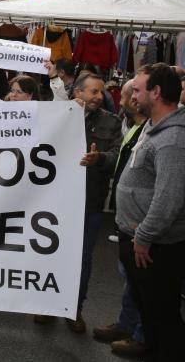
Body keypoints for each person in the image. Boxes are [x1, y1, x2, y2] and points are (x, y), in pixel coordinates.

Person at [36, 72, 120, 333]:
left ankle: (74, 309)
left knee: (81, 258)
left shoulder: (111, 122)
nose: (99, 96)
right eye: (93, 91)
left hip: (88, 203)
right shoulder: (55, 115)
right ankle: (47, 305)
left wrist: (100, 159)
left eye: (101, 92)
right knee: (47, 254)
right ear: (78, 93)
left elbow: (117, 155)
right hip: (51, 201)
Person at [116, 63, 185, 361]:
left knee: (163, 314)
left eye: (139, 90)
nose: (133, 95)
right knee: (150, 308)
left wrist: (143, 236)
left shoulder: (172, 140)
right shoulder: (151, 125)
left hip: (154, 245)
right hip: (138, 237)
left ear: (156, 93)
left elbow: (169, 198)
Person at [93, 79, 147, 358]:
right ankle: (127, 325)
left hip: (142, 224)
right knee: (131, 279)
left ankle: (141, 334)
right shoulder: (137, 128)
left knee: (143, 282)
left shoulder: (153, 132)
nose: (122, 100)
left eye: (128, 95)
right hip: (129, 220)